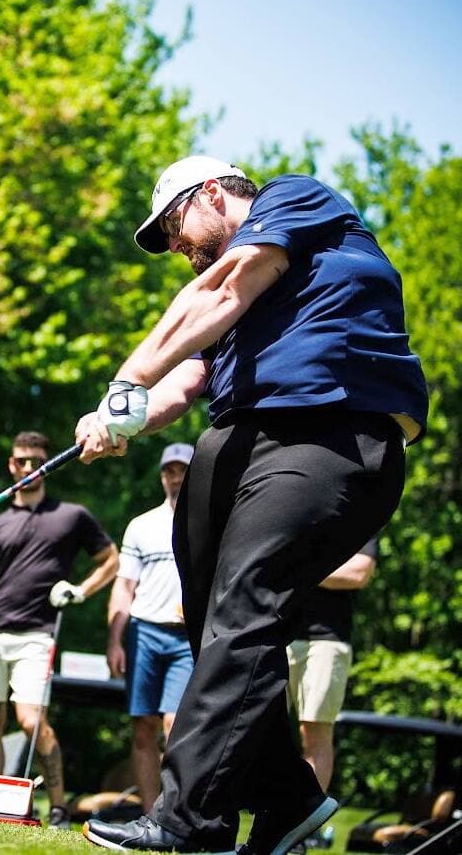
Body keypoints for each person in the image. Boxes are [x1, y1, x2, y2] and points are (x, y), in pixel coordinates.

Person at [74, 156, 427, 854]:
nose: (175, 247)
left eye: (174, 226)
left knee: (245, 607)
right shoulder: (239, 302)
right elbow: (182, 384)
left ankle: (190, 819)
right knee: (213, 624)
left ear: (213, 193)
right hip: (236, 440)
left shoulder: (294, 205)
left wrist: (126, 376)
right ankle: (290, 800)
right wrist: (118, 417)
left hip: (330, 432)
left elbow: (220, 290)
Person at [0, 430, 120, 830]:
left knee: (30, 719)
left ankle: (59, 807)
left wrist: (80, 591)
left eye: (35, 461)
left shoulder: (71, 516)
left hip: (37, 634)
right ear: (12, 464)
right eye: (21, 461)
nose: (28, 468)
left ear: (46, 465)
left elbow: (111, 559)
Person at [106, 442, 195, 814]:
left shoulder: (211, 521)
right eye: (169, 471)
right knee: (142, 726)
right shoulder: (141, 525)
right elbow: (124, 585)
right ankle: (148, 814)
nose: (175, 478)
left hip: (187, 638)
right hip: (144, 632)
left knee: (176, 725)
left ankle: (173, 811)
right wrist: (114, 640)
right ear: (162, 476)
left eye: (183, 471)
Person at [288, 535, 379, 793]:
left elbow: (359, 572)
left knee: (314, 733)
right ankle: (271, 814)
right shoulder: (292, 513)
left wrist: (301, 571)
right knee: (261, 731)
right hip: (278, 636)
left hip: (326, 640)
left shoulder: (357, 516)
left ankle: (305, 824)